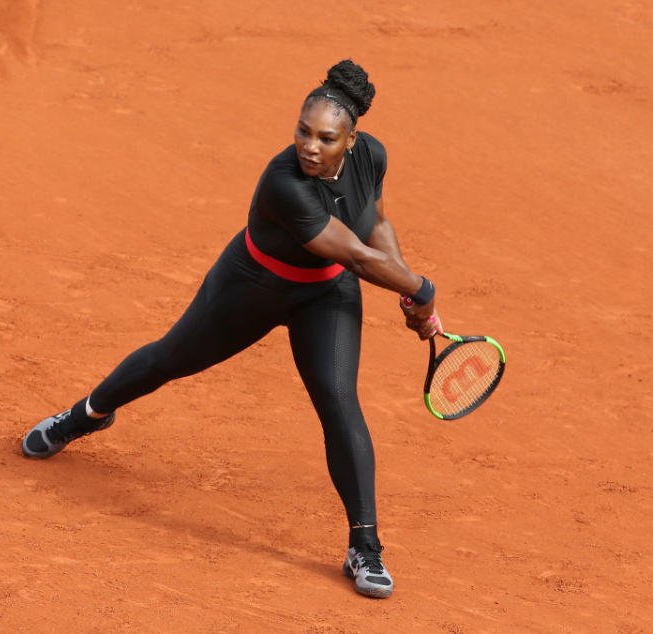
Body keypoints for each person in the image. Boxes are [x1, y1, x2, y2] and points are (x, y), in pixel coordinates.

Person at [22, 59, 441, 599]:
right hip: (252, 285)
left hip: (326, 294)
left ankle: (365, 545)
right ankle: (85, 415)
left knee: (339, 402)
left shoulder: (373, 158)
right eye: (302, 131)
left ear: (352, 140)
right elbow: (360, 256)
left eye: (325, 137)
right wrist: (422, 290)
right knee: (167, 359)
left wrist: (410, 293)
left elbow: (376, 224)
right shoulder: (283, 183)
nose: (309, 146)